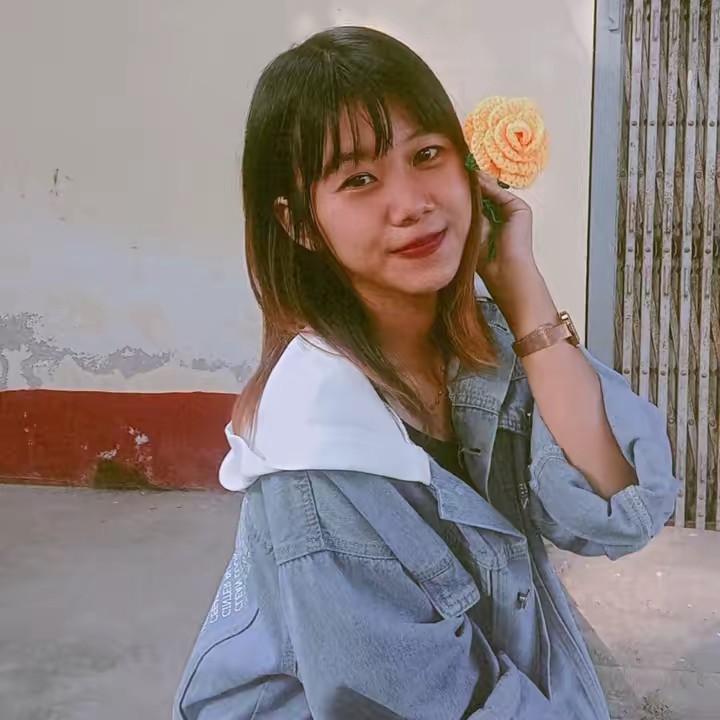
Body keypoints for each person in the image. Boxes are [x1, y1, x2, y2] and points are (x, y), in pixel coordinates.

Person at [173, 26, 679, 720]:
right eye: (359, 179)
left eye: (427, 154)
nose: (412, 202)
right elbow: (427, 701)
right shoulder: (316, 451)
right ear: (299, 224)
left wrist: (522, 288)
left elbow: (620, 508)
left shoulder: (479, 347)